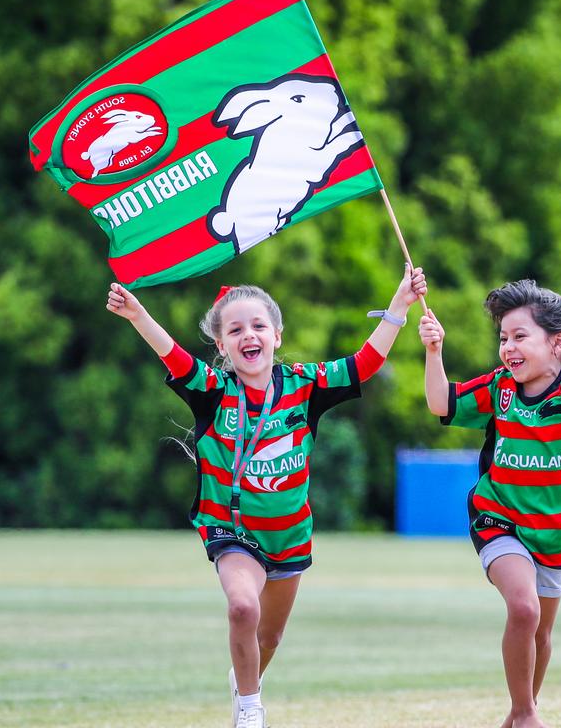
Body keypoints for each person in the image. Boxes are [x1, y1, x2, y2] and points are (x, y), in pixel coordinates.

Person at [106, 264, 426, 728]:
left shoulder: (304, 385)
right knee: (242, 607)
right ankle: (251, 709)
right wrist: (138, 315)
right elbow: (174, 356)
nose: (248, 335)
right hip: (231, 529)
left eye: (258, 326)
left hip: (290, 537)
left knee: (269, 638)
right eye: (234, 329)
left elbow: (364, 363)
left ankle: (243, 681)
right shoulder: (213, 390)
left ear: (276, 334)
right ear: (221, 346)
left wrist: (400, 303)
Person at [418, 278, 561, 728]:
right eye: (503, 338)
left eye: (520, 336)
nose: (508, 347)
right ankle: (526, 715)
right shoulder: (501, 388)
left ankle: (519, 715)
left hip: (556, 532)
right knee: (524, 608)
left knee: (541, 631)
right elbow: (440, 402)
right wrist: (433, 351)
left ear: (557, 342)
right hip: (496, 518)